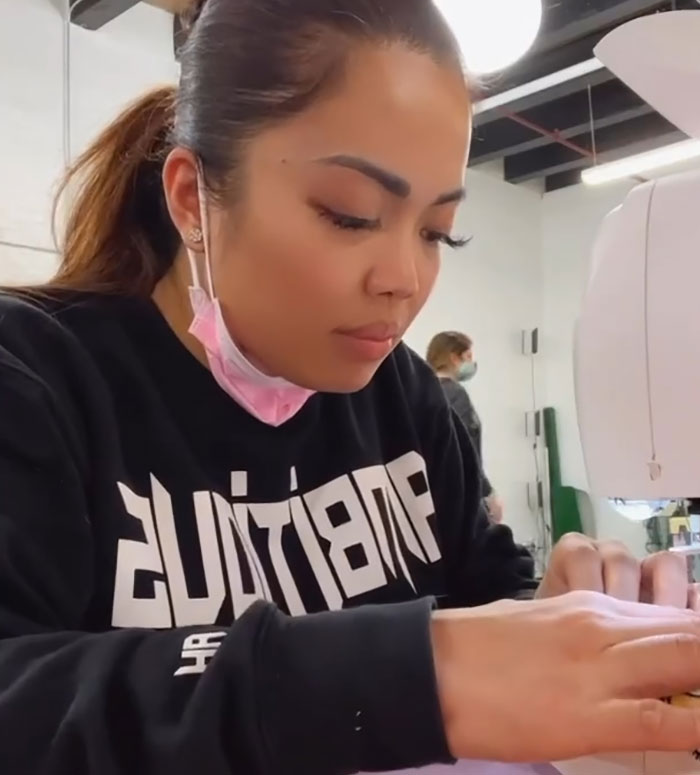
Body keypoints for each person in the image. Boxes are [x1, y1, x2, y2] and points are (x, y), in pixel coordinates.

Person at [2, 1, 700, 773]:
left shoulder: (404, 399)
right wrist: (408, 674)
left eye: (437, 232)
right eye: (349, 215)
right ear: (191, 199)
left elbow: (482, 600)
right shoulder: (35, 381)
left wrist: (555, 609)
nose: (404, 281)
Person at [427, 331, 504, 523]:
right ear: (454, 357)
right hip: (462, 496)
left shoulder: (426, 392)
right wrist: (487, 494)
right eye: (468, 357)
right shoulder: (455, 394)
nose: (472, 363)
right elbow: (465, 449)